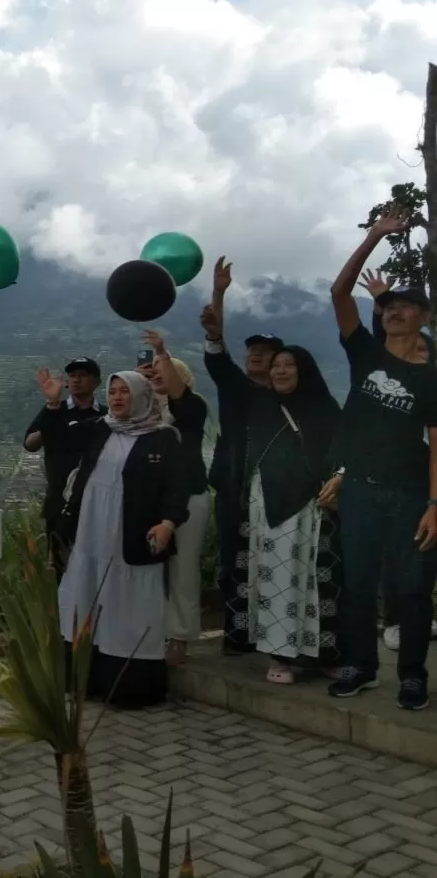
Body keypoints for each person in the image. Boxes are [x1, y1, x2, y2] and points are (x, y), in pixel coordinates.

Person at [327, 205, 437, 710]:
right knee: (357, 583)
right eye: (389, 304)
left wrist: (434, 504)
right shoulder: (365, 353)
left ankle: (412, 675)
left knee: (413, 587)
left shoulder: (430, 378)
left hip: (411, 494)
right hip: (361, 491)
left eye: (407, 306)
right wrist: (374, 234)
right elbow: (339, 292)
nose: (394, 310)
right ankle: (361, 666)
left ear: (424, 317)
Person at [36, 369, 188, 709]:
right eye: (114, 391)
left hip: (133, 535)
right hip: (92, 532)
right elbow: (57, 441)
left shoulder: (164, 437)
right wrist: (52, 403)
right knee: (87, 597)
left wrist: (168, 523)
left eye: (125, 391)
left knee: (131, 605)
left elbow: (177, 487)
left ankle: (129, 688)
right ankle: (84, 680)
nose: (118, 398)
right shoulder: (100, 428)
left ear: (142, 396)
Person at [215, 343, 343, 682]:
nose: (280, 371)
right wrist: (214, 339)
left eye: (288, 365)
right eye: (276, 366)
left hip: (315, 505)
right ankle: (280, 658)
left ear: (304, 370)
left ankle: (326, 655)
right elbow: (224, 374)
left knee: (320, 580)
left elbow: (345, 447)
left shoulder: (324, 406)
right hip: (269, 504)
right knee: (275, 580)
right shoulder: (260, 402)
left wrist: (340, 479)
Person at [202, 259, 283, 655]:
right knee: (233, 562)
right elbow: (217, 354)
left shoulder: (289, 399)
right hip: (234, 489)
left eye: (265, 352)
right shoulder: (235, 388)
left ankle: (273, 632)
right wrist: (218, 295)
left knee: (273, 561)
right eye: (252, 349)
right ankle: (237, 636)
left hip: (277, 495)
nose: (255, 355)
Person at [357, 268, 437, 653]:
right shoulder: (382, 366)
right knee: (399, 553)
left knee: (419, 556)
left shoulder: (428, 375)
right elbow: (382, 340)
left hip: (420, 472)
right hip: (397, 476)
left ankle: (416, 617)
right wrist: (380, 300)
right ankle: (393, 620)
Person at [139, 333, 211, 667]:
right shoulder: (143, 415)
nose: (157, 375)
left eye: (164, 371)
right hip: (151, 501)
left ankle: (179, 636)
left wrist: (160, 351)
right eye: (151, 372)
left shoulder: (192, 409)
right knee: (150, 569)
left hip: (188, 499)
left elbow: (179, 396)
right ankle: (151, 631)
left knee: (182, 569)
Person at [23, 356, 105, 575]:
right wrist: (52, 417)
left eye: (83, 375)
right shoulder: (53, 410)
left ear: (96, 382)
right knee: (60, 568)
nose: (76, 380)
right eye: (72, 375)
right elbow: (30, 444)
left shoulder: (106, 415)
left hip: (97, 501)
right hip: (59, 502)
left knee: (96, 568)